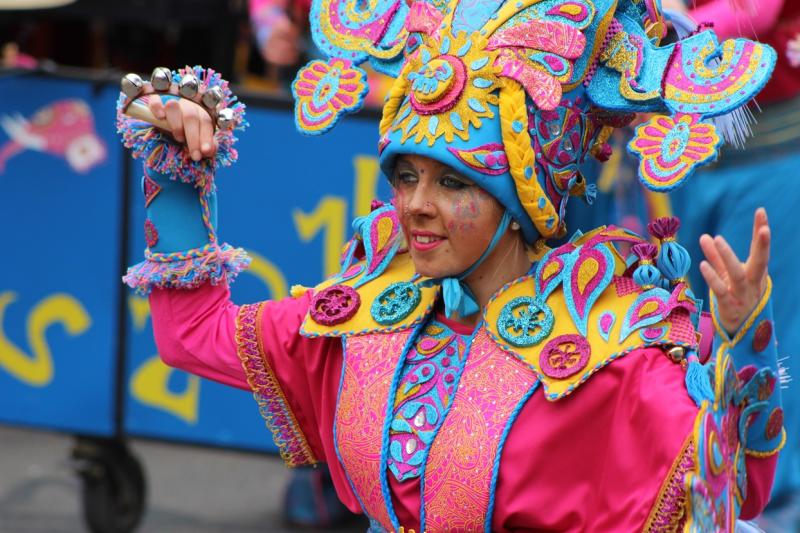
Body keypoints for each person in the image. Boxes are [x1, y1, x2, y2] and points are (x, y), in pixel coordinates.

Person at [115, 0, 785, 530]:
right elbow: (190, 337)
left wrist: (746, 340)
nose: (417, 207)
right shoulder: (369, 316)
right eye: (405, 176)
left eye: (455, 184)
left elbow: (735, 489)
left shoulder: (604, 351)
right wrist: (176, 169)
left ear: (522, 194)